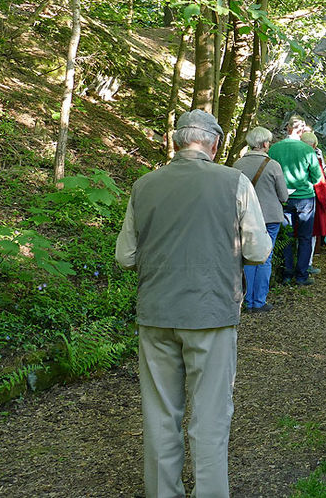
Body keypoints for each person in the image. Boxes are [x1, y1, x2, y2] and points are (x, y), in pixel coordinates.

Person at [115, 109, 272, 498]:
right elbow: (258, 251)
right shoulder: (234, 182)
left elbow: (126, 257)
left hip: (156, 313)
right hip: (211, 314)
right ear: (215, 145)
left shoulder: (144, 186)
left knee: (160, 415)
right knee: (210, 418)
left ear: (175, 142)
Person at [233, 126, 289, 312]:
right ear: (265, 144)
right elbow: (283, 196)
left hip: (244, 218)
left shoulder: (237, 165)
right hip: (269, 218)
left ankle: (246, 300)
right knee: (265, 257)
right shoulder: (273, 165)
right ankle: (259, 301)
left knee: (247, 257)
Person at [269, 116, 323, 286]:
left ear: (287, 129)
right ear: (301, 131)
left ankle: (286, 273)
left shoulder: (274, 149)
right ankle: (301, 275)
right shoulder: (307, 150)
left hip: (283, 198)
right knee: (305, 237)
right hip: (305, 198)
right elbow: (316, 177)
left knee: (286, 237)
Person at [301, 130, 326, 275]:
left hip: (290, 199)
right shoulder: (314, 159)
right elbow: (320, 183)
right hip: (310, 201)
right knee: (310, 235)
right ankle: (306, 264)